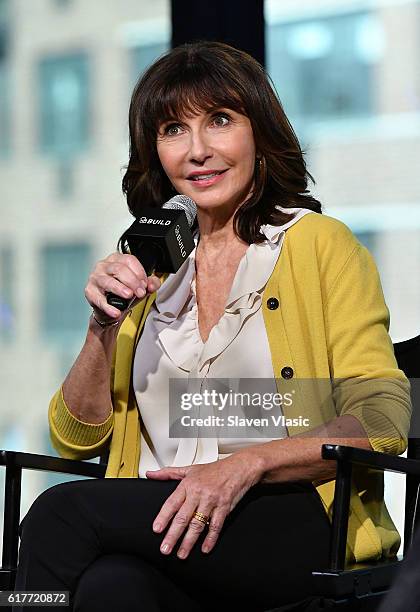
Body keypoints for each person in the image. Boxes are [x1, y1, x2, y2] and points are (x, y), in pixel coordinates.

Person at [15, 41, 411, 612]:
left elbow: (382, 419)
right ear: (155, 151)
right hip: (166, 523)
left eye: (220, 121)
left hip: (286, 516)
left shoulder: (319, 246)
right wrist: (102, 327)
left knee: (59, 513)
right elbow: (76, 438)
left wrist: (243, 465)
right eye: (174, 129)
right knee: (111, 589)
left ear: (259, 133)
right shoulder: (153, 267)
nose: (197, 151)